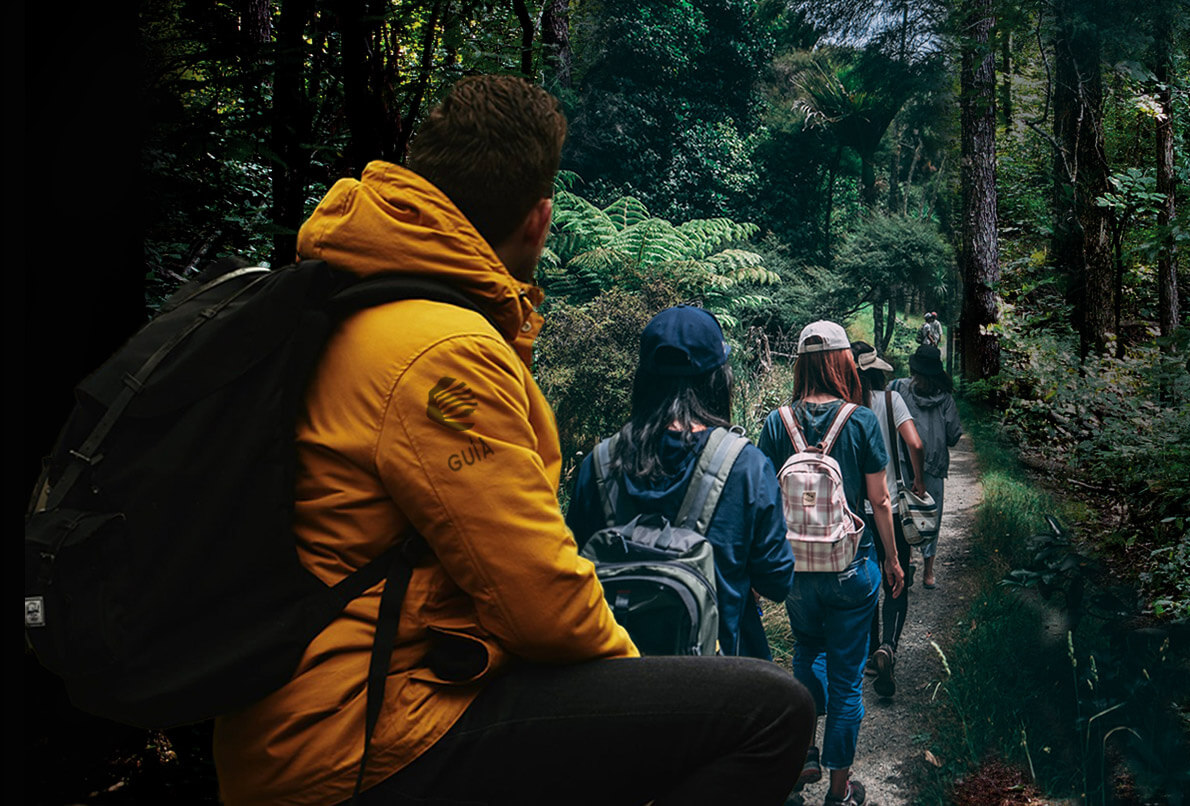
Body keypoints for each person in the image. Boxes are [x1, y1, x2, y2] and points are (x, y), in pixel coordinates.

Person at [211, 76, 813, 806]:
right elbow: (542, 600)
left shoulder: (342, 301)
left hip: (295, 718)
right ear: (538, 219)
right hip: (368, 732)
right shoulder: (441, 351)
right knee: (773, 711)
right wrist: (644, 708)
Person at [566, 304, 795, 658]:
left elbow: (572, 570)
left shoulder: (598, 465)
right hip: (719, 688)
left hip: (614, 684)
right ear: (719, 379)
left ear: (643, 379)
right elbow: (777, 580)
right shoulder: (746, 466)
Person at [758, 321, 906, 806]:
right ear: (845, 362)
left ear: (800, 364)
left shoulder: (777, 421)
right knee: (846, 681)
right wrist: (891, 559)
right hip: (850, 564)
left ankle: (803, 753)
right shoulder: (859, 420)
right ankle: (840, 792)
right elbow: (881, 502)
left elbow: (763, 497)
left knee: (807, 652)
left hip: (796, 570)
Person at [850, 340, 927, 700]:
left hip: (853, 514)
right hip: (891, 507)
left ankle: (868, 655)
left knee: (867, 581)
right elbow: (915, 443)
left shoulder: (844, 407)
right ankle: (888, 647)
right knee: (896, 579)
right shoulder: (891, 400)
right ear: (877, 370)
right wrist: (919, 478)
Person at [890, 345, 964, 589]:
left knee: (902, 513)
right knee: (931, 516)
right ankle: (928, 572)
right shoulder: (945, 399)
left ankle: (907, 559)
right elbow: (954, 435)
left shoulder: (898, 388)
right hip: (932, 464)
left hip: (902, 462)